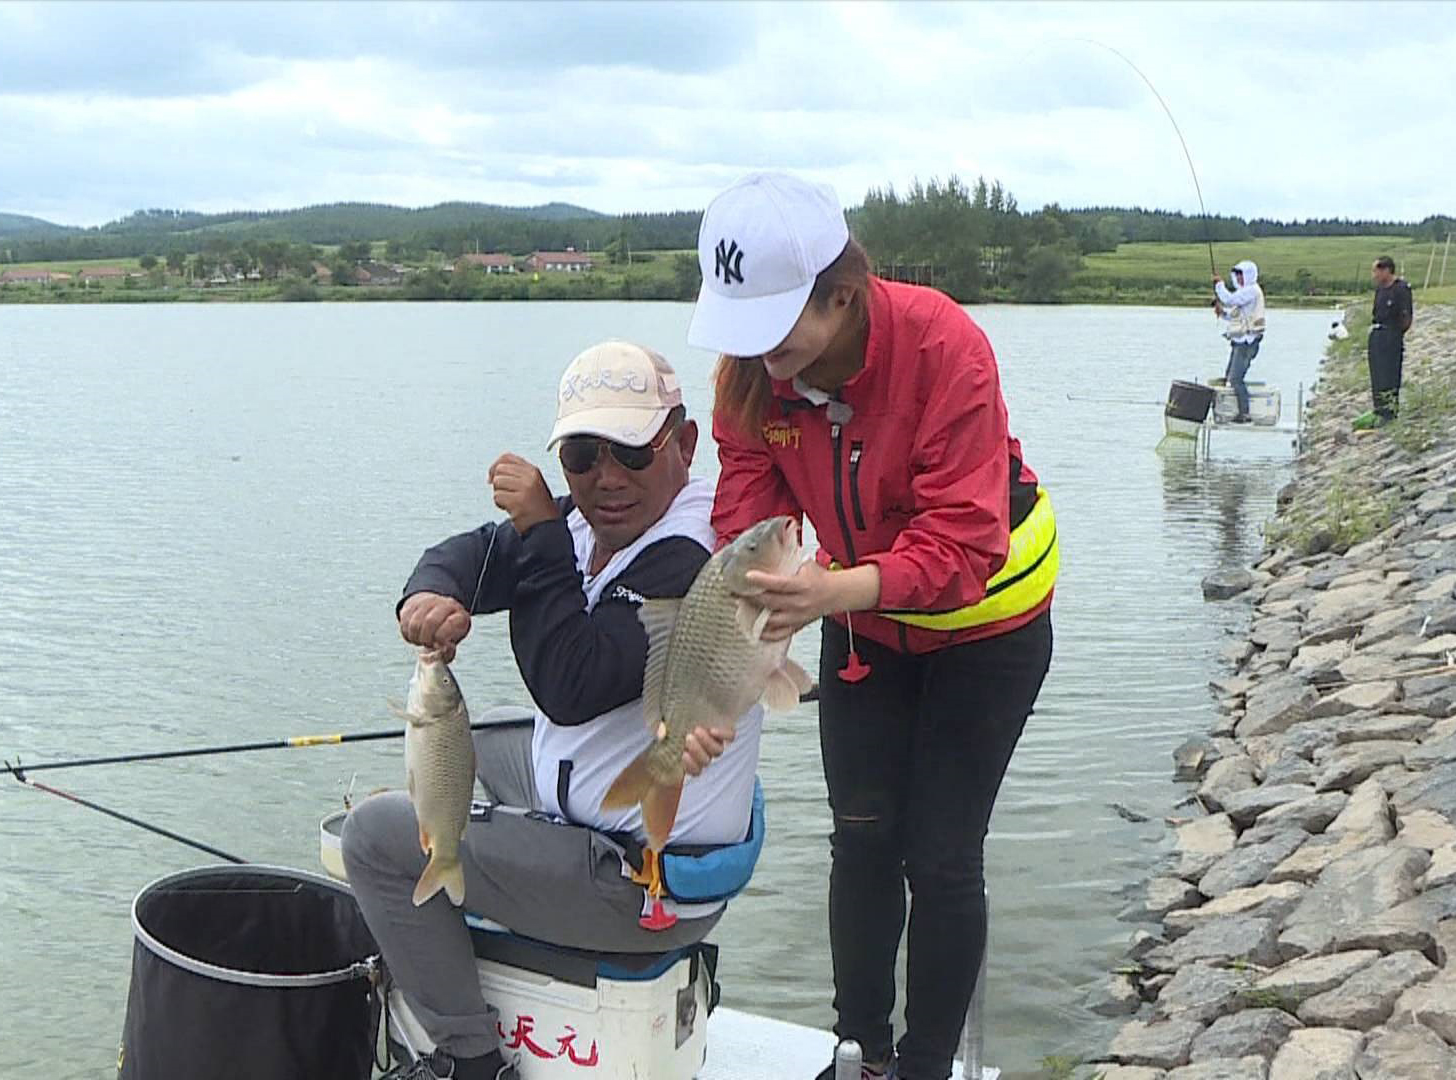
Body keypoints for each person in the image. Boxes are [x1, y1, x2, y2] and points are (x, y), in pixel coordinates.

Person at [685, 171, 1056, 1080]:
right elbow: (745, 511)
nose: (756, 354)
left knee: (940, 855)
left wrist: (832, 591)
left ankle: (927, 1065)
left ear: (842, 295)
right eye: (739, 327)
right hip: (861, 632)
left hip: (987, 629)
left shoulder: (945, 347)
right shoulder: (750, 374)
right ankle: (861, 1050)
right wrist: (726, 662)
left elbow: (966, 543)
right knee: (860, 838)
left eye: (774, 327)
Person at [340, 341, 762, 1080]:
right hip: (599, 806)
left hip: (641, 878)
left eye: (631, 453)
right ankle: (466, 880)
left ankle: (467, 1057)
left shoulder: (693, 559)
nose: (606, 480)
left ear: (684, 444)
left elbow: (571, 680)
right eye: (582, 456)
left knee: (374, 836)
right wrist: (425, 599)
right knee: (472, 731)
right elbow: (469, 553)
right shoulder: (589, 526)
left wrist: (538, 531)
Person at [1356, 255, 1415, 429]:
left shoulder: (1401, 289)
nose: (1374, 275)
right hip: (1377, 333)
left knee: (1390, 373)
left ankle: (1389, 412)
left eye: (1376, 271)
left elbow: (1406, 317)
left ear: (1386, 270)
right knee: (1377, 373)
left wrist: (1395, 333)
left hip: (1392, 334)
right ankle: (1379, 409)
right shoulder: (1380, 290)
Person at [1213, 260, 1267, 423]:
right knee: (1230, 376)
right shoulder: (1245, 293)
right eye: (1237, 275)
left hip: (1247, 343)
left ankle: (1245, 413)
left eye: (1241, 275)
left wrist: (1219, 285)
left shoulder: (1251, 291)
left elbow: (1229, 299)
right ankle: (1237, 411)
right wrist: (1221, 313)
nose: (1238, 278)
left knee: (1235, 378)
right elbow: (1234, 315)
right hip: (1240, 342)